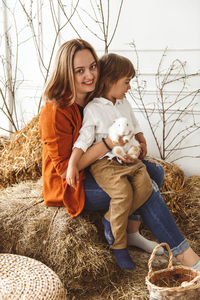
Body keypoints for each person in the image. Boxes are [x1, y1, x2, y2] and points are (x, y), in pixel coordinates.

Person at [39, 39, 200, 271]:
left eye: (93, 67)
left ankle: (131, 232)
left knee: (155, 171)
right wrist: (109, 144)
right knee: (146, 185)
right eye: (79, 71)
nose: (90, 75)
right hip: (70, 184)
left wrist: (128, 150)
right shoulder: (55, 111)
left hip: (99, 166)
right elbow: (66, 171)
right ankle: (187, 257)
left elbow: (120, 127)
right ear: (66, 73)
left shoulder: (94, 98)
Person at [67, 53, 163, 269]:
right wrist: (73, 162)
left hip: (128, 156)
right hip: (105, 163)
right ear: (110, 80)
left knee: (146, 184)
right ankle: (119, 246)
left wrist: (141, 137)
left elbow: (134, 122)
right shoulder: (93, 109)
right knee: (122, 193)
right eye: (126, 82)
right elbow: (84, 138)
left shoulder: (123, 103)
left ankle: (112, 219)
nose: (129, 87)